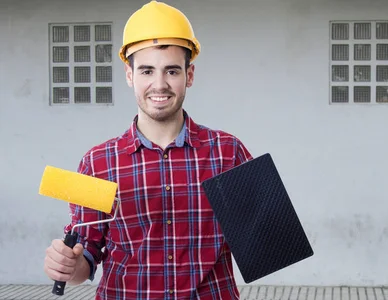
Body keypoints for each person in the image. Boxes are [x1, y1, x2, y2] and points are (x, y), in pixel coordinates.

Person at [42, 1, 253, 299]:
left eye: (171, 71)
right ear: (130, 76)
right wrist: (69, 265)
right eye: (146, 71)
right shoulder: (97, 162)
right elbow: (86, 254)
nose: (159, 84)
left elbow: (263, 239)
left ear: (189, 76)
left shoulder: (227, 153)